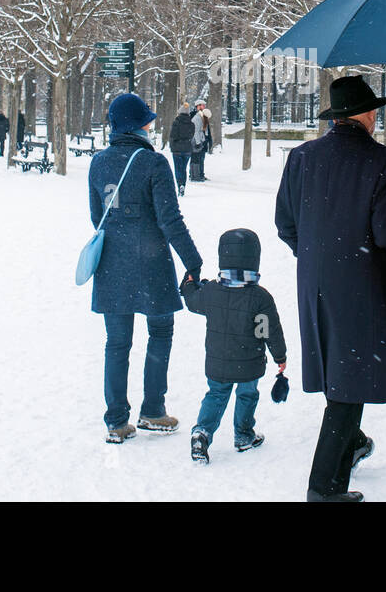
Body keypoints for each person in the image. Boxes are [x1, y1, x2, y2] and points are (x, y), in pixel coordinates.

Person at [275, 74, 386, 502]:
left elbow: (285, 224)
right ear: (364, 115)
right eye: (373, 110)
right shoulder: (384, 161)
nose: (375, 116)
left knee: (339, 374)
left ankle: (352, 444)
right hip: (361, 286)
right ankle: (324, 489)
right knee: (348, 385)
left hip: (313, 283)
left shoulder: (302, 157)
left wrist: (316, 254)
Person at [89, 92, 202, 444]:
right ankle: (153, 409)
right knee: (160, 332)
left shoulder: (98, 162)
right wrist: (193, 260)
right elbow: (170, 220)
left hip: (112, 264)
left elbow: (98, 217)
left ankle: (117, 420)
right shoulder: (154, 163)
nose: (152, 125)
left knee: (117, 342)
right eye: (147, 120)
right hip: (151, 262)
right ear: (137, 125)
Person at [180, 229, 287, 464]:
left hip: (218, 359)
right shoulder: (260, 298)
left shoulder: (211, 291)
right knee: (247, 395)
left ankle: (202, 433)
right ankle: (244, 435)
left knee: (216, 394)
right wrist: (280, 356)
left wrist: (188, 286)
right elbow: (268, 331)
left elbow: (192, 302)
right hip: (250, 361)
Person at [167, 102, 195, 196]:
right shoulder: (191, 124)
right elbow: (192, 135)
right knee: (183, 168)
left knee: (178, 168)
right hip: (187, 148)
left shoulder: (176, 123)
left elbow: (173, 136)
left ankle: (180, 185)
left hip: (177, 149)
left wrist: (172, 145)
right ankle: (183, 184)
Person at [189, 100, 212, 182]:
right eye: (202, 105)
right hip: (196, 141)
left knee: (200, 158)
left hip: (202, 140)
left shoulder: (203, 116)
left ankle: (200, 174)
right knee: (196, 158)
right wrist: (198, 142)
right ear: (197, 106)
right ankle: (195, 175)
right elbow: (196, 131)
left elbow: (206, 129)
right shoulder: (195, 116)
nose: (204, 107)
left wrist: (207, 139)